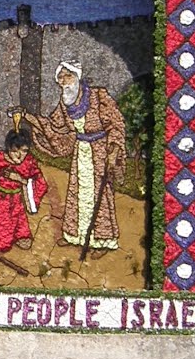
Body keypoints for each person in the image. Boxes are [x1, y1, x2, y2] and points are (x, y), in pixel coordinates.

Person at [17, 60, 126, 253]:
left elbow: (116, 124)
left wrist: (114, 150)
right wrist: (28, 117)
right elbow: (53, 126)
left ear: (76, 77)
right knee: (77, 192)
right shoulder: (65, 103)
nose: (62, 83)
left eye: (66, 77)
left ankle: (101, 239)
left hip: (100, 151)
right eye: (59, 78)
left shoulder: (98, 96)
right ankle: (74, 235)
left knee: (99, 195)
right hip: (81, 152)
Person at [0, 127, 47, 252]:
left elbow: (40, 182)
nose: (19, 155)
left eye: (24, 151)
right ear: (8, 148)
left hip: (18, 204)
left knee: (25, 240)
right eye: (15, 150)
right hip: (0, 203)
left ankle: (19, 233)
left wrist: (21, 180)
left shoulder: (29, 161)